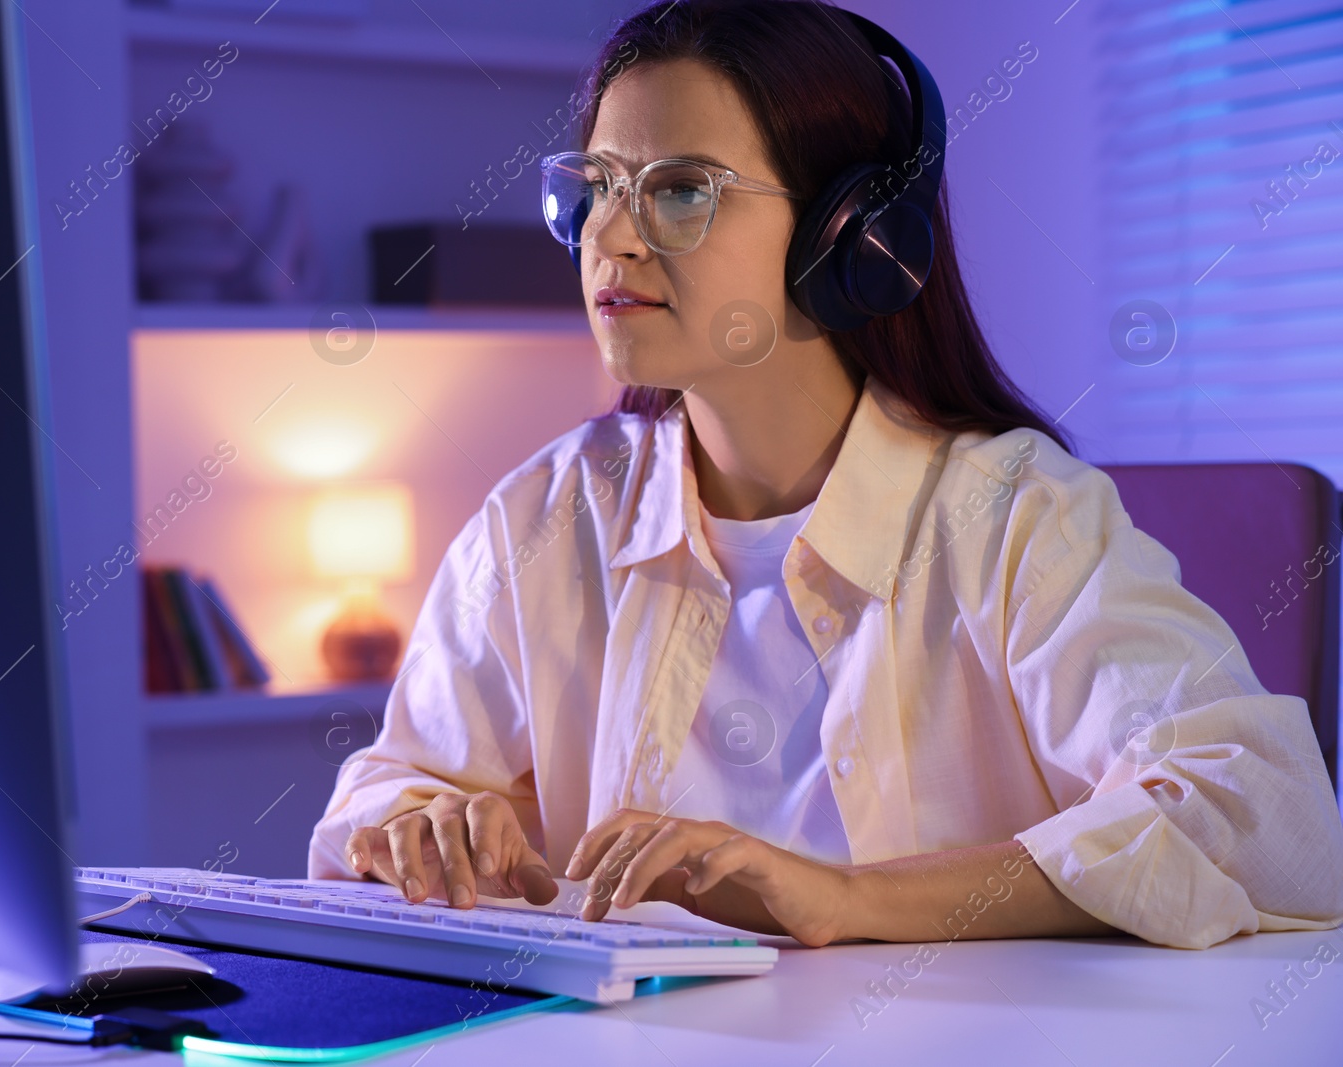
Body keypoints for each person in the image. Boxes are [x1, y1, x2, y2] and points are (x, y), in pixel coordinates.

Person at [308, 0, 1343, 950]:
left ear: (852, 235)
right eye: (594, 189)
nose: (608, 239)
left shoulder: (1012, 513)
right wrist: (416, 823)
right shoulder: (543, 515)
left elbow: (1263, 814)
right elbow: (385, 793)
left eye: (677, 191)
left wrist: (846, 898)